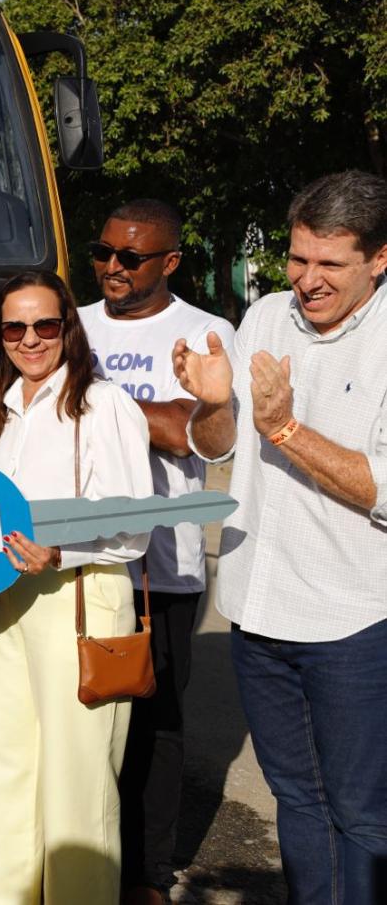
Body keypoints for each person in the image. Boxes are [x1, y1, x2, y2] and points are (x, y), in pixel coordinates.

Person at [172, 170, 387, 904]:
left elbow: (382, 490)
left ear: (379, 259)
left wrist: (287, 430)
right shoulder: (263, 315)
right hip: (258, 608)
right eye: (299, 259)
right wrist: (208, 405)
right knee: (295, 799)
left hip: (355, 620)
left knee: (360, 815)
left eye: (331, 264)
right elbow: (216, 445)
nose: (307, 281)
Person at [0, 271, 153, 905]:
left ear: (68, 327)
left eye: (46, 324)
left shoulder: (103, 404)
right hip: (4, 602)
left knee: (77, 784)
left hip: (82, 595)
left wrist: (59, 550)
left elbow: (132, 527)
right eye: (15, 327)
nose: (31, 339)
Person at [76, 200, 235, 905]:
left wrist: (89, 398)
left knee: (156, 721)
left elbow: (194, 433)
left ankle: (147, 872)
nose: (112, 266)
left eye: (131, 257)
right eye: (104, 252)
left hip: (163, 565)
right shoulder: (69, 324)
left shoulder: (206, 335)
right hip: (73, 558)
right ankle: (85, 859)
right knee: (82, 717)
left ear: (170, 262)